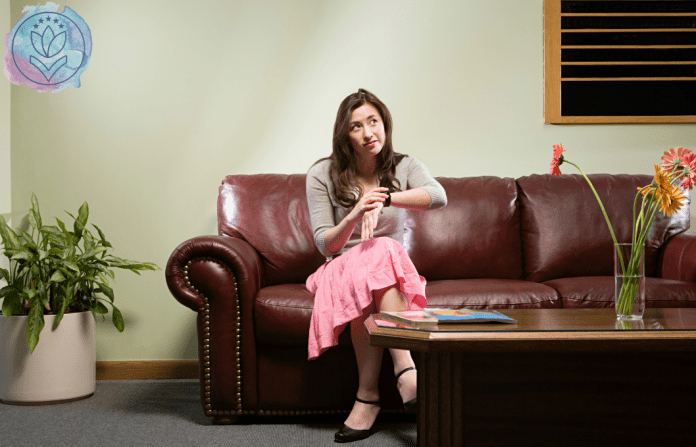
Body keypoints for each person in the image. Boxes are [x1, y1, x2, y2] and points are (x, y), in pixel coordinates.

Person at [305, 88, 447, 443]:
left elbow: (438, 196)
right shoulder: (322, 173)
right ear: (345, 135)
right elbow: (325, 244)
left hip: (387, 274)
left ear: (385, 124)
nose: (369, 133)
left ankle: (366, 397)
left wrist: (382, 199)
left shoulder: (405, 166)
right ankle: (406, 368)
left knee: (381, 260)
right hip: (339, 270)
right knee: (381, 249)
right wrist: (356, 212)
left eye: (374, 122)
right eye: (357, 127)